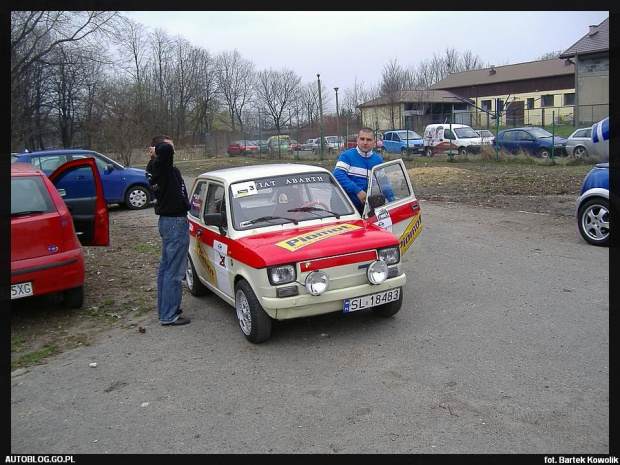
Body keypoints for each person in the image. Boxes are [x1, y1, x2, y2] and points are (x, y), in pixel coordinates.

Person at [148, 135, 191, 326]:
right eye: (169, 146)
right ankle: (168, 315)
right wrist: (160, 148)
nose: (173, 150)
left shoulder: (159, 167)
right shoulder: (161, 166)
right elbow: (165, 150)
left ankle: (167, 308)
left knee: (166, 270)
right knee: (174, 271)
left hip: (169, 222)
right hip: (174, 223)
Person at [333, 127, 392, 214]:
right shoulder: (346, 156)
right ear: (357, 140)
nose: (364, 142)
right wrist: (357, 191)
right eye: (362, 139)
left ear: (374, 142)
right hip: (343, 207)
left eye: (368, 140)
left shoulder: (378, 160)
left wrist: (392, 201)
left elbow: (383, 182)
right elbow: (338, 175)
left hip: (365, 208)